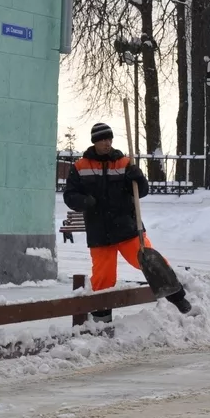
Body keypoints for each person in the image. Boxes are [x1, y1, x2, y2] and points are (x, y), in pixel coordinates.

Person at [63, 123, 191, 322]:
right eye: (103, 139)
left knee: (150, 260)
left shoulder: (123, 163)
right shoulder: (80, 167)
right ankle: (101, 322)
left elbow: (142, 190)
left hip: (126, 228)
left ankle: (179, 297)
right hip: (99, 232)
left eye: (109, 139)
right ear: (95, 142)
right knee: (103, 278)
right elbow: (70, 195)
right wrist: (84, 201)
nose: (107, 143)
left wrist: (139, 178)